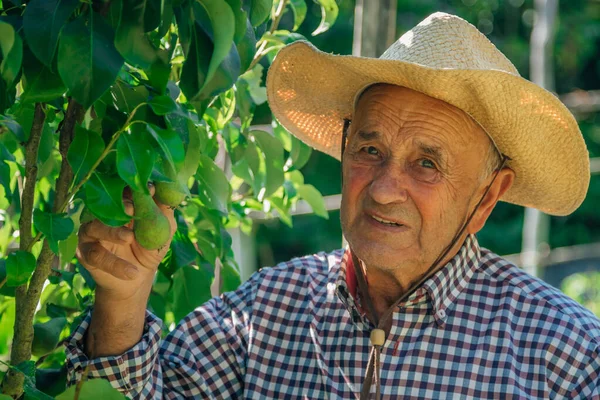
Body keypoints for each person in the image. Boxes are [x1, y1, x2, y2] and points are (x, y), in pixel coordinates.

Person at [67, 12, 599, 399]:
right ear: (344, 150)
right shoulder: (265, 313)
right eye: (370, 150)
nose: (384, 188)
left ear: (488, 197)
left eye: (427, 165)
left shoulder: (565, 357)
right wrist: (122, 298)